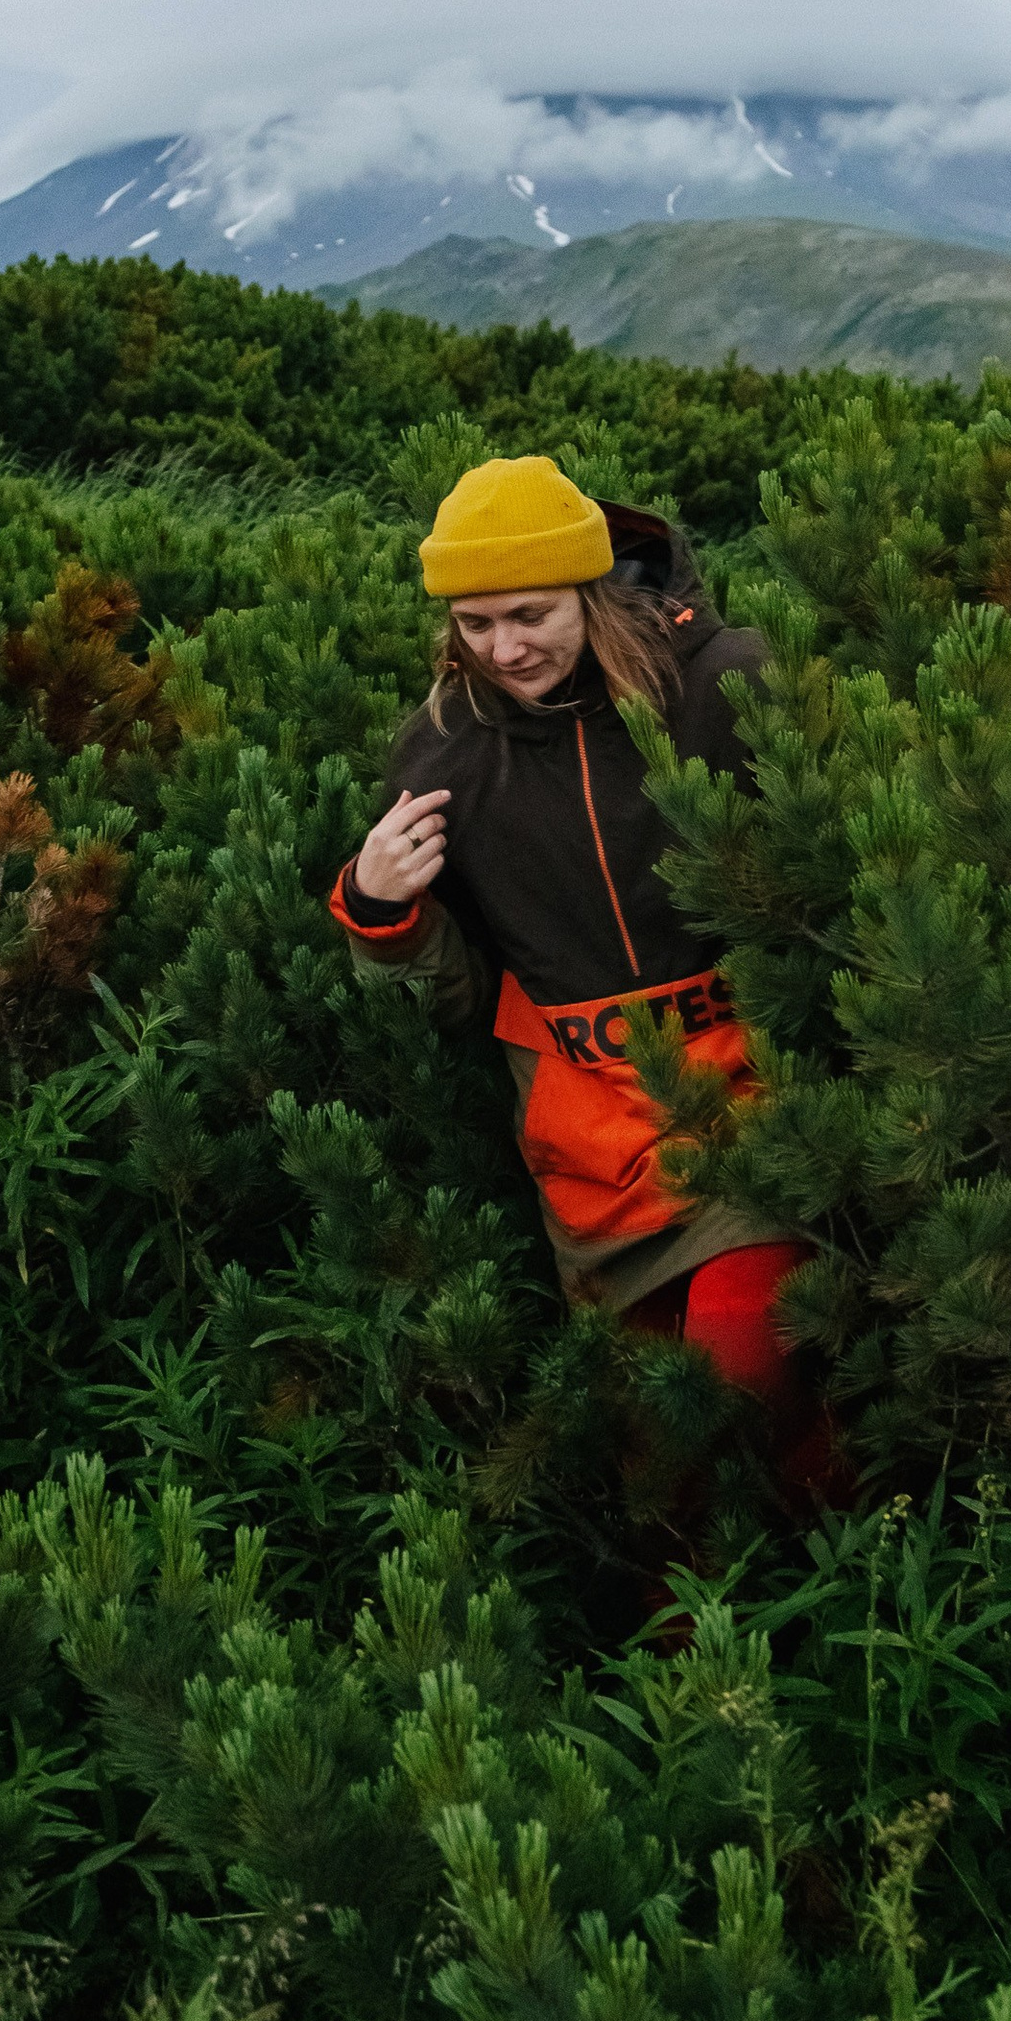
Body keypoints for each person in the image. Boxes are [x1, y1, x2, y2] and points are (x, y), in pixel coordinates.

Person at [329, 453, 818, 1471]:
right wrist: (382, 912)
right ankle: (727, 1619)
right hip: (590, 1153)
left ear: (592, 593)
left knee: (738, 1375)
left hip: (757, 1104)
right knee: (659, 1459)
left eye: (530, 615)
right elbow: (459, 999)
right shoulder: (443, 756)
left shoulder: (732, 688)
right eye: (474, 623)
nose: (502, 649)